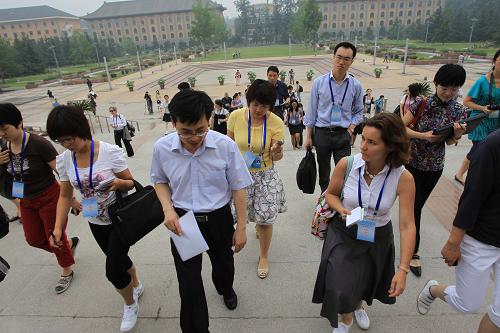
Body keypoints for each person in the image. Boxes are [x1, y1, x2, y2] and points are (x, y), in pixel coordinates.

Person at [151, 89, 253, 333]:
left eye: (200, 129)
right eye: (185, 131)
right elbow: (160, 180)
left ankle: (225, 288)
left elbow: (239, 188)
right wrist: (168, 209)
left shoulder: (224, 146)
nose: (194, 137)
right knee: (189, 283)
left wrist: (241, 228)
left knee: (224, 266)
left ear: (210, 119)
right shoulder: (162, 148)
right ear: (173, 122)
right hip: (183, 220)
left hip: (218, 218)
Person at [313, 112, 416, 333]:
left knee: (364, 279)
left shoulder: (403, 177)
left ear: (390, 146)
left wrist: (403, 269)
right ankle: (345, 320)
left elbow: (408, 225)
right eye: (363, 139)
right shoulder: (346, 164)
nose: (363, 146)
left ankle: (357, 304)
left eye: (372, 142)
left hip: (377, 235)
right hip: (344, 230)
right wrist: (341, 208)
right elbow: (330, 194)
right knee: (340, 282)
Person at [46, 105, 144, 332]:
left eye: (69, 138)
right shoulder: (65, 160)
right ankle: (136, 285)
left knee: (113, 270)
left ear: (82, 129)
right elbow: (65, 195)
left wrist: (120, 184)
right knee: (118, 259)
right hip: (95, 220)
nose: (67, 144)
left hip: (118, 218)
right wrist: (58, 229)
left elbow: (130, 182)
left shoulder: (110, 152)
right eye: (61, 140)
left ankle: (130, 304)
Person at [417, 129, 500, 333]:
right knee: (467, 304)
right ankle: (433, 289)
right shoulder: (492, 145)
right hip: (481, 238)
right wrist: (453, 242)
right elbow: (472, 197)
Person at [0, 103, 79, 294]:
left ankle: (67, 270)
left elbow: (61, 172)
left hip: (49, 196)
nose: (2, 134)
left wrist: (71, 199)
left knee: (54, 237)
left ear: (19, 123)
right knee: (33, 239)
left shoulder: (38, 144)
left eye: (4, 129)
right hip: (25, 200)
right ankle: (67, 247)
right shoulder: (3, 147)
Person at [402, 64, 468, 277]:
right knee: (415, 207)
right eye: (444, 88)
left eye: (454, 89)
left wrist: (456, 135)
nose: (449, 93)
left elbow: (449, 142)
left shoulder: (459, 110)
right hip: (411, 162)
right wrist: (423, 136)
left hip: (434, 167)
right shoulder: (421, 103)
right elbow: (399, 128)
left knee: (415, 206)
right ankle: (413, 251)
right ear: (436, 84)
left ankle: (409, 238)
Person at [227, 79, 286, 279]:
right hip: (240, 174)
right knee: (236, 214)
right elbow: (230, 147)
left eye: (264, 105)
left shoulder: (276, 122)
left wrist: (276, 150)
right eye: (255, 104)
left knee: (265, 219)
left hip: (265, 174)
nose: (259, 109)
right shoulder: (235, 116)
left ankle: (263, 255)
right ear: (248, 100)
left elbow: (278, 157)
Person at [304, 42, 364, 192]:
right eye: (339, 57)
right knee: (324, 172)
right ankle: (325, 200)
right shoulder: (319, 83)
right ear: (333, 57)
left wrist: (351, 129)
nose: (341, 62)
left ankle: (339, 199)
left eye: (346, 59)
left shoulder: (356, 86)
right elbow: (311, 112)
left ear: (352, 61)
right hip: (322, 133)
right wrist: (309, 136)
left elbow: (359, 112)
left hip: (343, 134)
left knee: (344, 171)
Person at [454, 49, 500, 185]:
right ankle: (473, 178)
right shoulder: (482, 81)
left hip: (496, 122)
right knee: (480, 148)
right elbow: (466, 101)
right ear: (494, 61)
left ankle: (461, 174)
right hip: (480, 120)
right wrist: (482, 108)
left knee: (484, 150)